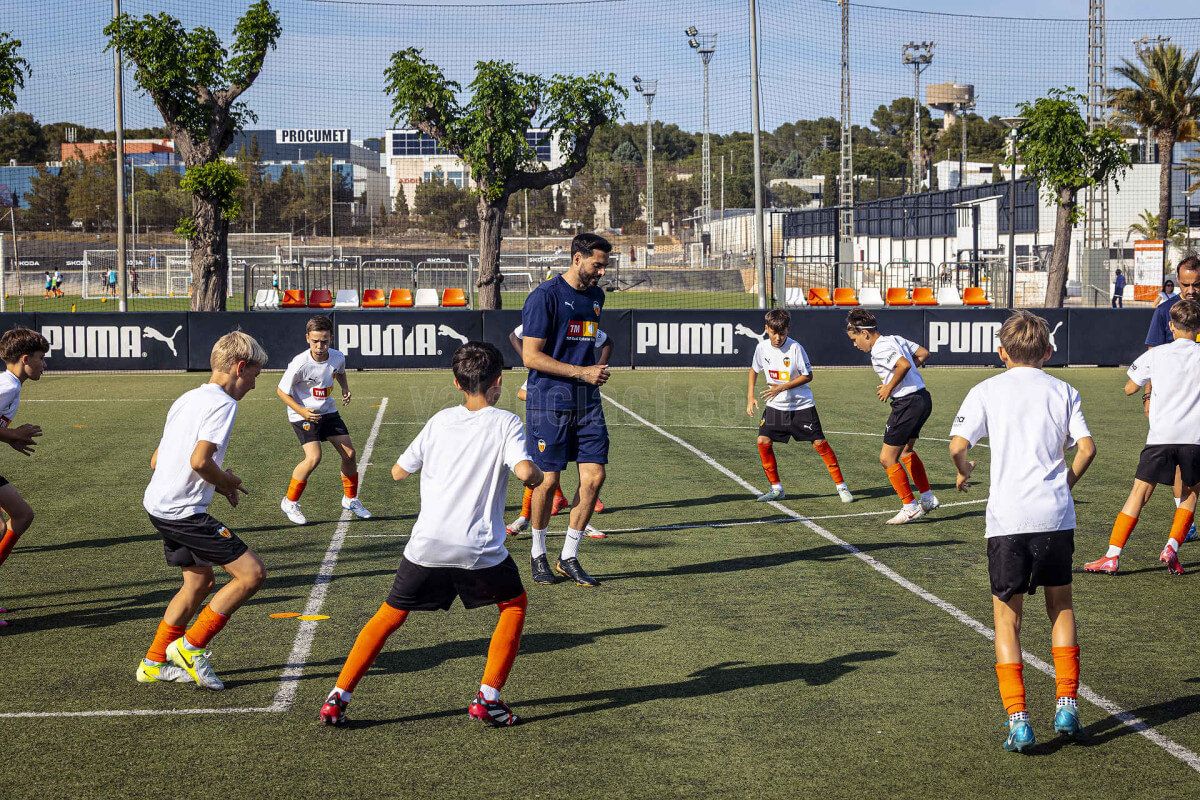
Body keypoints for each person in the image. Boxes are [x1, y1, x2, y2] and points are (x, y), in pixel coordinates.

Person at [318, 342, 541, 727]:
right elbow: (524, 473)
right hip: (479, 548)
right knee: (514, 605)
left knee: (389, 615)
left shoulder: (439, 421)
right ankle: (488, 696)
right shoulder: (507, 423)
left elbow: (398, 471)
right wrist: (537, 474)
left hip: (427, 545)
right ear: (499, 382)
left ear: (457, 384)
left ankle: (338, 696)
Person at [949, 310, 1095, 753]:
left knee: (1006, 617)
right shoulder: (1064, 389)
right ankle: (1067, 703)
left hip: (1008, 518)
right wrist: (1064, 486)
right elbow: (1086, 448)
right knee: (1061, 606)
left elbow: (957, 445)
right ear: (1048, 352)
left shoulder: (986, 390)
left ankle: (1019, 720)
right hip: (1054, 515)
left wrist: (964, 469)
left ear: (1000, 351)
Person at [137, 331, 268, 689]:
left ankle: (153, 662)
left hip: (159, 505)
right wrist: (224, 482)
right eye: (255, 375)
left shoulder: (187, 397)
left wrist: (217, 477)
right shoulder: (224, 404)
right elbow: (199, 460)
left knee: (198, 582)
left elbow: (156, 459)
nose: (254, 385)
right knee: (252, 574)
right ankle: (191, 647)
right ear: (240, 368)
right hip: (183, 512)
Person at [1084, 299, 1200, 576]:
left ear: (1171, 326)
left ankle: (1112, 555)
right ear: (1197, 329)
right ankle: (1172, 545)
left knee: (1139, 493)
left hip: (1160, 437)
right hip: (1194, 438)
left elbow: (1129, 388)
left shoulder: (1156, 354)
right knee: (1190, 494)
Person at [520, 232, 611, 587]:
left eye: (604, 265)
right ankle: (538, 553)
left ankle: (569, 556)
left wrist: (595, 367)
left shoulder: (597, 297)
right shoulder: (545, 297)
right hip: (549, 401)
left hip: (586, 403)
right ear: (577, 258)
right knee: (548, 480)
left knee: (594, 476)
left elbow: (593, 342)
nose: (602, 272)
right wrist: (581, 371)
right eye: (596, 264)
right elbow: (530, 355)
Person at [505, 322, 609, 537]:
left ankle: (579, 516)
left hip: (580, 398)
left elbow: (608, 342)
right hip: (548, 383)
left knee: (586, 470)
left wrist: (596, 368)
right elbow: (514, 336)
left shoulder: (582, 321)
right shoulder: (545, 313)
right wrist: (534, 366)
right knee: (544, 473)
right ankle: (525, 516)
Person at [747, 308, 853, 504]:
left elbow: (808, 376)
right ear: (766, 329)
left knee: (819, 444)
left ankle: (842, 487)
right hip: (776, 407)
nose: (778, 338)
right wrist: (750, 396)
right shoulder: (761, 348)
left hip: (802, 406)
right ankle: (776, 489)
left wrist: (782, 387)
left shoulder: (796, 348)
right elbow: (754, 370)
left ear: (788, 330)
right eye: (774, 332)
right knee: (763, 441)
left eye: (782, 333)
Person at [845, 309, 939, 524]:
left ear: (865, 334)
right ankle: (927, 498)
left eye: (855, 338)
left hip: (907, 403)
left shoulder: (880, 347)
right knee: (906, 451)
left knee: (887, 459)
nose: (855, 344)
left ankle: (910, 506)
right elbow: (923, 353)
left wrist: (889, 386)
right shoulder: (894, 338)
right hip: (922, 398)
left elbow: (904, 365)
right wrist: (901, 378)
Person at [278, 315, 371, 525]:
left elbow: (340, 372)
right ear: (307, 339)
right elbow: (281, 392)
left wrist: (345, 388)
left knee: (349, 454)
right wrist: (302, 411)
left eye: (325, 341)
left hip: (328, 411)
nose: (320, 346)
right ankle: (289, 501)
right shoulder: (299, 363)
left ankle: (350, 499)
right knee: (313, 458)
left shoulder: (337, 357)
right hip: (303, 413)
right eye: (315, 341)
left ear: (331, 339)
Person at [0, 328, 46, 628]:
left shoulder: (10, 384)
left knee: (21, 516)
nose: (44, 365)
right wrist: (12, 434)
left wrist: (10, 438)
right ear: (26, 359)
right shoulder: (7, 387)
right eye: (42, 359)